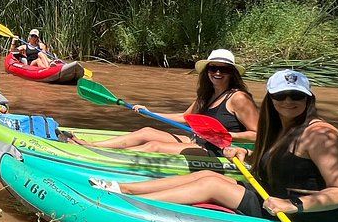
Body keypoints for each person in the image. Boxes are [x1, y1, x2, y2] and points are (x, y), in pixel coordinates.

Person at [93, 70, 338, 222]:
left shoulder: (322, 135)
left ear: (308, 99)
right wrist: (247, 154)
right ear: (271, 99)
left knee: (213, 186)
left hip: (302, 216)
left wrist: (293, 205)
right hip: (269, 196)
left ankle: (129, 206)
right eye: (281, 96)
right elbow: (288, 160)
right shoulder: (283, 129)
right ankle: (123, 188)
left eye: (296, 96)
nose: (288, 102)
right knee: (209, 176)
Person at [78, 49, 258, 154]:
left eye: (223, 69)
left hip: (220, 151)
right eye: (213, 68)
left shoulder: (239, 98)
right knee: (146, 131)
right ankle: (92, 147)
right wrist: (150, 112)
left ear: (231, 73)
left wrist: (225, 135)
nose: (217, 73)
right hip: (197, 141)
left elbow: (258, 134)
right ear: (207, 70)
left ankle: (103, 156)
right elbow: (185, 117)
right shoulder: (207, 94)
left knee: (154, 146)